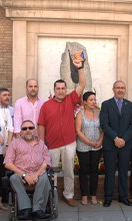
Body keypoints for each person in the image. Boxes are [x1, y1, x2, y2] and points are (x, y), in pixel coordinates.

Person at [38, 59, 85, 207]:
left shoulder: (71, 100)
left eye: (63, 88)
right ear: (54, 90)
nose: (60, 91)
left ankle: (69, 195)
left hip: (69, 143)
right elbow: (41, 125)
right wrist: (41, 144)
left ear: (66, 89)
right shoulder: (46, 106)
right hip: (51, 145)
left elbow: (82, 84)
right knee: (51, 173)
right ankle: (52, 195)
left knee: (69, 171)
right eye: (58, 88)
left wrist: (80, 68)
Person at [4, 120, 52, 220]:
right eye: (24, 128)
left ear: (35, 130)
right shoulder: (15, 143)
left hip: (38, 173)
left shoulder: (41, 144)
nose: (28, 130)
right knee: (13, 178)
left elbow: (46, 161)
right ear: (21, 131)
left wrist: (36, 175)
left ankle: (38, 209)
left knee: (44, 178)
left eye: (30, 128)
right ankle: (25, 209)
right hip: (21, 174)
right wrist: (24, 175)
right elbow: (7, 163)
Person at [100, 80, 132, 207]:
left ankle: (123, 196)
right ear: (113, 89)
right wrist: (115, 138)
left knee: (123, 171)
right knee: (109, 171)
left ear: (125, 90)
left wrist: (124, 139)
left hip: (125, 145)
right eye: (117, 87)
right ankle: (108, 197)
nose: (120, 90)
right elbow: (104, 124)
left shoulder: (129, 105)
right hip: (111, 144)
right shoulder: (106, 104)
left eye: (122, 88)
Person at [75, 91, 103, 205]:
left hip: (97, 146)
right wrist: (90, 143)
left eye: (94, 100)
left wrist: (100, 141)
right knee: (83, 170)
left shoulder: (99, 112)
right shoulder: (80, 113)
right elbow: (78, 131)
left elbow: (103, 129)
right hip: (83, 147)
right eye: (91, 100)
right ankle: (84, 195)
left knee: (94, 171)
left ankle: (93, 195)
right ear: (85, 102)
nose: (93, 102)